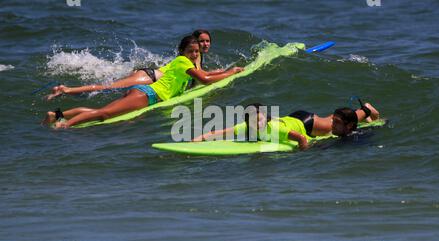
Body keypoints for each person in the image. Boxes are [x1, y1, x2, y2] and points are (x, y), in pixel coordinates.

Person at [43, 35, 244, 128]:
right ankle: (65, 125)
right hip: (147, 94)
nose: (194, 54)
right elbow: (205, 79)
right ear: (182, 51)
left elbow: (205, 75)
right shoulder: (182, 61)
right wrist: (232, 72)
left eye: (196, 52)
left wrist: (223, 72)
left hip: (144, 92)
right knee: (103, 114)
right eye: (191, 51)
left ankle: (56, 115)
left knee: (105, 110)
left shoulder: (187, 64)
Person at [46, 29, 223, 100]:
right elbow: (203, 77)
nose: (205, 44)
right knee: (108, 87)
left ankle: (70, 93)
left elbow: (201, 74)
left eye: (208, 41)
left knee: (110, 89)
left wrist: (218, 72)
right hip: (150, 77)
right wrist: (226, 73)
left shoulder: (195, 58)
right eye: (201, 41)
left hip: (152, 81)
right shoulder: (193, 57)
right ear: (194, 43)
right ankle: (66, 89)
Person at [193, 102, 380, 150]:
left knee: (332, 125)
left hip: (306, 124)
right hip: (292, 117)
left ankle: (366, 110)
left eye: (259, 119)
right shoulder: (245, 127)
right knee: (330, 119)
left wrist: (305, 152)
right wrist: (198, 140)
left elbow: (300, 138)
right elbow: (218, 132)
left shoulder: (276, 130)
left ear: (265, 119)